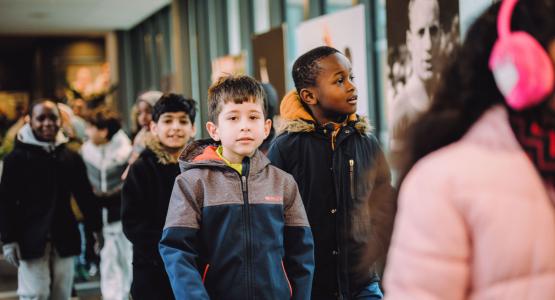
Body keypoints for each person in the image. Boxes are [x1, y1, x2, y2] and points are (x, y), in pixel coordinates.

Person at [384, 1, 555, 298]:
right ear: (523, 67)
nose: (427, 43)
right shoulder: (442, 183)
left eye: (434, 31)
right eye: (421, 32)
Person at [159, 75, 315, 300]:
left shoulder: (283, 183)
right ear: (214, 130)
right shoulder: (192, 183)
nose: (245, 126)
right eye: (233, 118)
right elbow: (177, 251)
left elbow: (301, 254)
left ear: (266, 127)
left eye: (253, 117)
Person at [268, 46, 396, 299]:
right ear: (309, 96)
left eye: (351, 78)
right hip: (309, 285)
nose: (351, 87)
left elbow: (383, 201)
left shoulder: (366, 142)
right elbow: (271, 218)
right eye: (339, 80)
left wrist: (376, 249)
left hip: (362, 281)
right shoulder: (285, 148)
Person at [0, 100, 102, 300]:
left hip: (64, 236)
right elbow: (5, 201)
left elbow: (84, 196)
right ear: (30, 121)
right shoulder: (16, 158)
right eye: (41, 118)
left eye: (53, 117)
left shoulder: (70, 156)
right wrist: (8, 239)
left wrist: (96, 229)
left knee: (62, 294)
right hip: (29, 238)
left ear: (60, 121)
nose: (47, 123)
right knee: (35, 294)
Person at [122, 94, 197, 300]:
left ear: (193, 128)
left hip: (196, 267)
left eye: (183, 121)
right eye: (167, 121)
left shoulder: (202, 167)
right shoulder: (140, 169)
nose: (175, 127)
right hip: (152, 268)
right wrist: (169, 248)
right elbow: (132, 223)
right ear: (154, 127)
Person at [81, 110, 133, 300]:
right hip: (98, 214)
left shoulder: (126, 152)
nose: (86, 131)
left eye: (90, 127)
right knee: (107, 256)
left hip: (120, 212)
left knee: (125, 255)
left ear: (103, 131)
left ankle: (126, 292)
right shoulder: (86, 150)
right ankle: (112, 295)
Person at [389, 0, 441, 152]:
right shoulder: (399, 110)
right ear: (410, 41)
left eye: (433, 31)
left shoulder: (450, 97)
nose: (428, 46)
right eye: (420, 32)